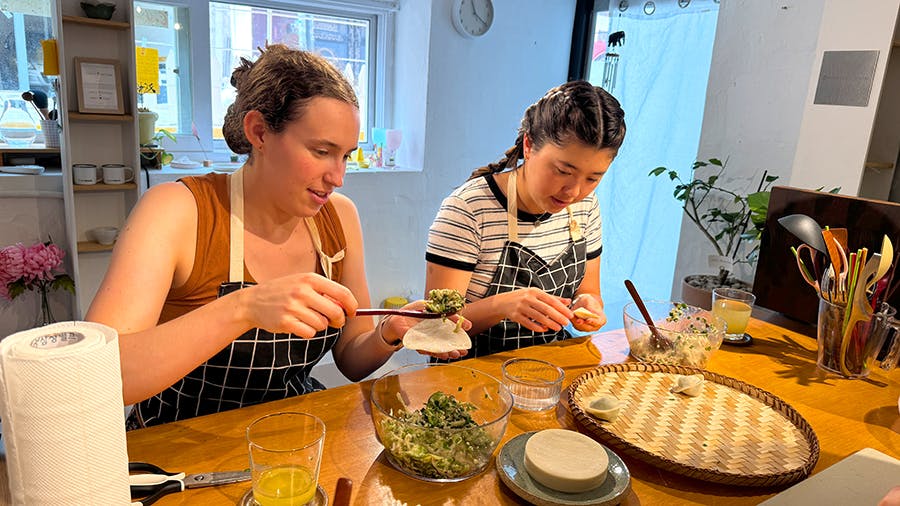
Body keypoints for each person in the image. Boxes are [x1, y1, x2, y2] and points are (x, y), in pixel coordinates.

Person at [87, 45, 439, 428]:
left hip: (295, 434)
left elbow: (351, 361)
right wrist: (246, 307)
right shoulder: (179, 210)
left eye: (346, 156)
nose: (337, 178)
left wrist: (389, 332)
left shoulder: (338, 217)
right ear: (259, 132)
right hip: (179, 447)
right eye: (322, 151)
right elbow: (102, 373)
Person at [425, 81, 626, 359]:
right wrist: (503, 306)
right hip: (471, 374)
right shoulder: (468, 210)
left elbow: (590, 291)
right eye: (562, 170)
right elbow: (437, 328)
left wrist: (588, 305)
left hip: (548, 368)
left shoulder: (585, 207)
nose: (574, 191)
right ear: (529, 145)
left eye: (593, 178)